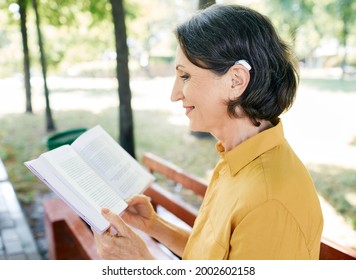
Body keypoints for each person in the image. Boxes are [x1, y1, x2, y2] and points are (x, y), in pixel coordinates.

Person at [93, 4, 323, 260]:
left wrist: (142, 263)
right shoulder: (237, 159)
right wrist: (154, 226)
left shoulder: (269, 202)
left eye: (185, 76)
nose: (174, 94)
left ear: (235, 80)